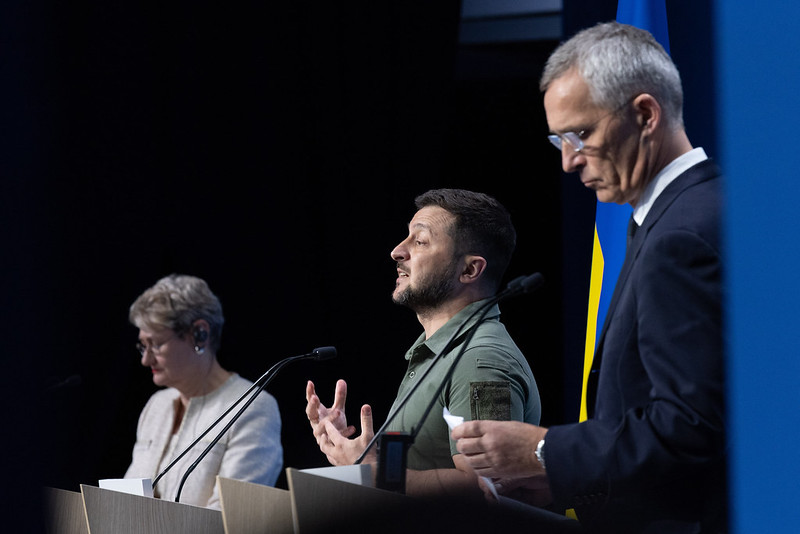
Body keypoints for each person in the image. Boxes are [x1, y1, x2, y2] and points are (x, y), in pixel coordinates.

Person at [452, 22, 726, 533]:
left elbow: (691, 429)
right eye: (558, 138)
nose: (567, 161)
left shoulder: (681, 237)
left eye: (581, 134)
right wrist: (563, 479)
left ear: (645, 114)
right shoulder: (698, 209)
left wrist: (540, 448)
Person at [305, 188, 541, 497]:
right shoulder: (435, 352)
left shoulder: (479, 359)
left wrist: (370, 475)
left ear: (470, 269)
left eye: (420, 241)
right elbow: (407, 474)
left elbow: (489, 488)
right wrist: (360, 458)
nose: (397, 252)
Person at [124, 274, 283, 509]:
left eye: (156, 344)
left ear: (200, 334)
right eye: (142, 346)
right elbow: (123, 503)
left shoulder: (253, 408)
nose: (146, 360)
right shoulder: (156, 406)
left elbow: (227, 517)